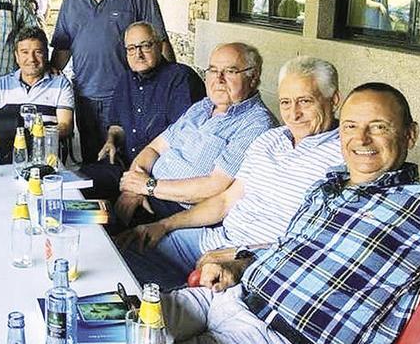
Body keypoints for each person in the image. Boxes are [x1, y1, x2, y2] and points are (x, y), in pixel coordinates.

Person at [160, 82, 420, 344]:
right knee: (123, 317)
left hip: (277, 335)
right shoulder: (326, 186)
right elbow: (290, 247)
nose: (361, 139)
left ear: (410, 135)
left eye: (378, 127)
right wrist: (240, 264)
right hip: (226, 297)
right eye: (351, 126)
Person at [118, 56, 343, 288]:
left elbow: (317, 243)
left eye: (305, 102)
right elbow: (225, 201)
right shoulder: (270, 139)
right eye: (285, 102)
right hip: (214, 241)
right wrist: (165, 225)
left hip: (255, 263)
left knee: (145, 293)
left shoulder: (343, 157)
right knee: (120, 254)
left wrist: (241, 255)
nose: (293, 114)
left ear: (334, 99)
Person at [114, 42, 276, 229]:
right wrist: (133, 191)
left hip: (179, 211)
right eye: (213, 71)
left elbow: (214, 186)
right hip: (146, 190)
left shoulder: (256, 125)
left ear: (253, 77)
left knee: (100, 242)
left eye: (230, 71)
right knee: (84, 198)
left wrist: (148, 186)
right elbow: (154, 148)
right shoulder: (202, 107)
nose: (219, 79)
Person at [50, 0, 175, 164]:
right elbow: (63, 46)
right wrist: (50, 74)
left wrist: (171, 82)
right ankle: (96, 200)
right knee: (91, 158)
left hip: (126, 93)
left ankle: (126, 198)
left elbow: (160, 41)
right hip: (85, 93)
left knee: (125, 155)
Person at [80, 21, 204, 202]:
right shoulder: (125, 80)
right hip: (123, 167)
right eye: (131, 48)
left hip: (158, 176)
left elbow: (183, 140)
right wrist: (111, 140)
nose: (138, 54)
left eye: (145, 46)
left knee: (119, 216)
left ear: (160, 46)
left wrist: (140, 184)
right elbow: (117, 126)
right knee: (75, 184)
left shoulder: (180, 79)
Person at [0, 26, 74, 137]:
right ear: (16, 56)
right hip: (7, 150)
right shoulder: (0, 85)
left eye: (38, 52)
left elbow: (65, 125)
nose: (32, 59)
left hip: (46, 150)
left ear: (46, 54)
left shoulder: (61, 85)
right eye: (25, 52)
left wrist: (37, 135)